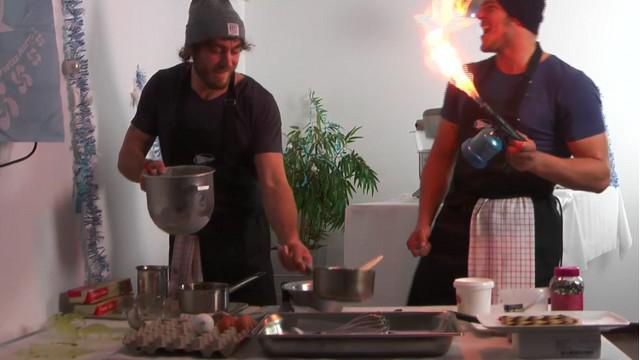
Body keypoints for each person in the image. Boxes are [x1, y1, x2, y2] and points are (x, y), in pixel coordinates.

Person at [406, 0, 610, 305]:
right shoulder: (465, 79)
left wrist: (536, 161)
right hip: (458, 225)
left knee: (514, 339)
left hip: (526, 232)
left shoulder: (569, 84)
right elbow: (441, 156)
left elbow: (599, 175)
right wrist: (424, 221)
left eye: (489, 7)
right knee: (435, 320)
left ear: (517, 15)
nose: (478, 16)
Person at [117, 0, 312, 305]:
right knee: (190, 337)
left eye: (235, 50)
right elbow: (127, 157)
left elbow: (274, 181)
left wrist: (291, 238)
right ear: (192, 48)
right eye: (217, 50)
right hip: (187, 241)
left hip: (245, 249)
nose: (228, 61)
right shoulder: (163, 88)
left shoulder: (257, 103)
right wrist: (145, 172)